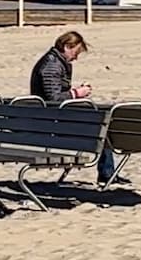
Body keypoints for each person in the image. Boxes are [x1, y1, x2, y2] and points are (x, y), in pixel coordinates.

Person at [29, 30, 122, 185]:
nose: (76, 57)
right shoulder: (52, 65)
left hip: (48, 121)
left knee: (100, 124)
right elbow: (53, 99)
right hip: (51, 124)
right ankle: (107, 173)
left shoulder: (54, 62)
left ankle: (107, 172)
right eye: (76, 52)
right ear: (67, 46)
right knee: (102, 126)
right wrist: (76, 93)